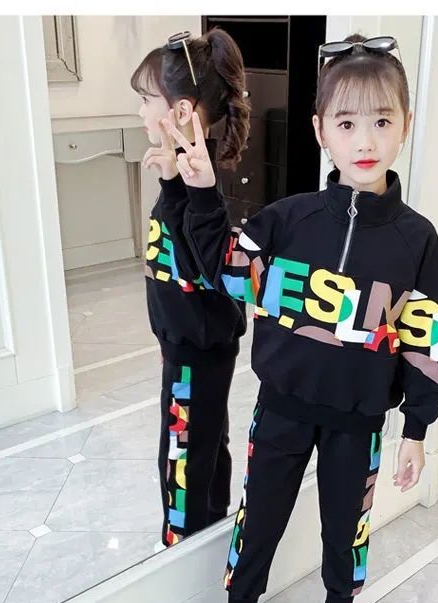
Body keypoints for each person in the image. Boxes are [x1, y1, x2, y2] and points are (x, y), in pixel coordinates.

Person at [167, 33, 438, 603]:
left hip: (358, 418)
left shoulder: (416, 238)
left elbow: (424, 335)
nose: (365, 140)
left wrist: (416, 428)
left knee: (344, 529)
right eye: (346, 123)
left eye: (381, 120)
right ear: (321, 130)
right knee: (259, 519)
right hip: (283, 408)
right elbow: (223, 268)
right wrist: (201, 191)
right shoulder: (287, 221)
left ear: (406, 124)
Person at [130, 29, 250, 547]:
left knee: (184, 455)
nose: (140, 112)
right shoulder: (185, 181)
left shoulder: (204, 190)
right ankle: (208, 533)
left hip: (195, 349)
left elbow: (208, 263)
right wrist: (171, 181)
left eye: (146, 99)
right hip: (190, 346)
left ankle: (182, 550)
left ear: (180, 110)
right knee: (204, 445)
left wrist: (186, 188)